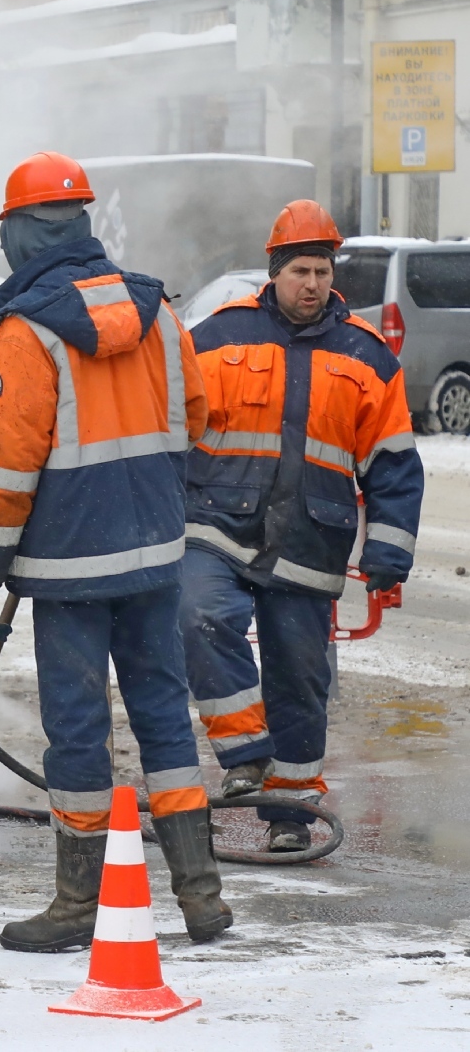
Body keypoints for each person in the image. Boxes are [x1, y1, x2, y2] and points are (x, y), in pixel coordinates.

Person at [0, 152, 225, 951]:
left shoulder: (23, 333)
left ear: (17, 232)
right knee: (165, 725)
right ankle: (202, 898)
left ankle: (78, 904)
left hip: (70, 571)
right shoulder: (157, 311)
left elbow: (4, 471)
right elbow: (198, 415)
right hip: (152, 556)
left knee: (77, 732)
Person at [182, 200, 423, 853]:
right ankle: (244, 755)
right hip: (217, 527)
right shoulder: (216, 336)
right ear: (274, 271)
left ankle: (289, 816)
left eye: (321, 270)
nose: (312, 283)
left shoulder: (366, 357)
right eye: (299, 271)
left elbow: (394, 465)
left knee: (299, 675)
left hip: (310, 541)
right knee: (199, 611)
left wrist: (388, 556)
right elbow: (172, 424)